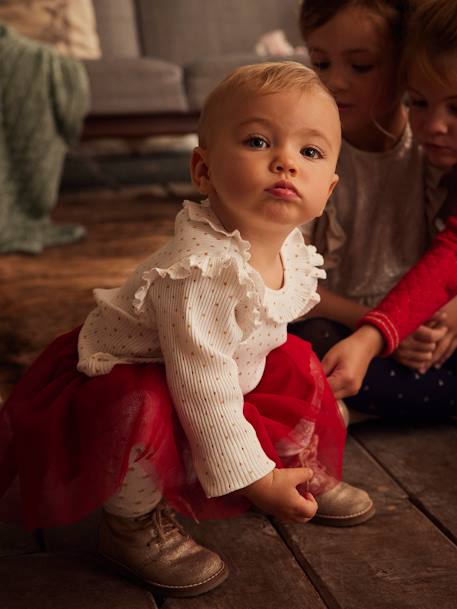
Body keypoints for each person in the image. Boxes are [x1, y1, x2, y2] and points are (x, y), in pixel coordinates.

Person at [0, 62, 374, 599]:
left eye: (310, 152)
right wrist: (253, 482)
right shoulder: (199, 272)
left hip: (220, 367)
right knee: (141, 409)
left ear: (329, 187)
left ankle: (292, 466)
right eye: (258, 140)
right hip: (139, 376)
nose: (286, 162)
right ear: (203, 170)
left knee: (294, 358)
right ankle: (131, 524)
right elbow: (203, 387)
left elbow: (250, 344)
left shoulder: (288, 246)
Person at [289, 0, 457, 420]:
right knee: (298, 347)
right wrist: (376, 325)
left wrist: (444, 317)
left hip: (413, 322)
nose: (335, 83)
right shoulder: (306, 156)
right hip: (335, 320)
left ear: (406, 67)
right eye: (320, 62)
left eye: (360, 66)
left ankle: (346, 401)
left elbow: (447, 262)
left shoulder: (433, 149)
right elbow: (282, 284)